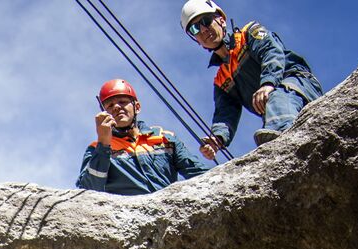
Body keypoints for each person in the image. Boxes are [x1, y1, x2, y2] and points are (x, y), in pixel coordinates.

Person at [180, 0, 322, 158]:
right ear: (195, 39)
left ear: (221, 19)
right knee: (275, 105)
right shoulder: (222, 81)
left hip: (296, 83)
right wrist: (217, 139)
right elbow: (225, 114)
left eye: (206, 21)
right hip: (276, 108)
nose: (203, 30)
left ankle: (280, 149)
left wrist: (268, 84)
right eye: (195, 28)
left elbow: (271, 53)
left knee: (277, 99)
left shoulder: (249, 34)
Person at [76, 79, 208, 196]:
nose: (116, 107)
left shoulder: (163, 138)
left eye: (122, 102)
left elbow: (200, 174)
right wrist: (103, 143)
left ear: (137, 107)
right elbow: (89, 190)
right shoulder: (96, 149)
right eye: (110, 105)